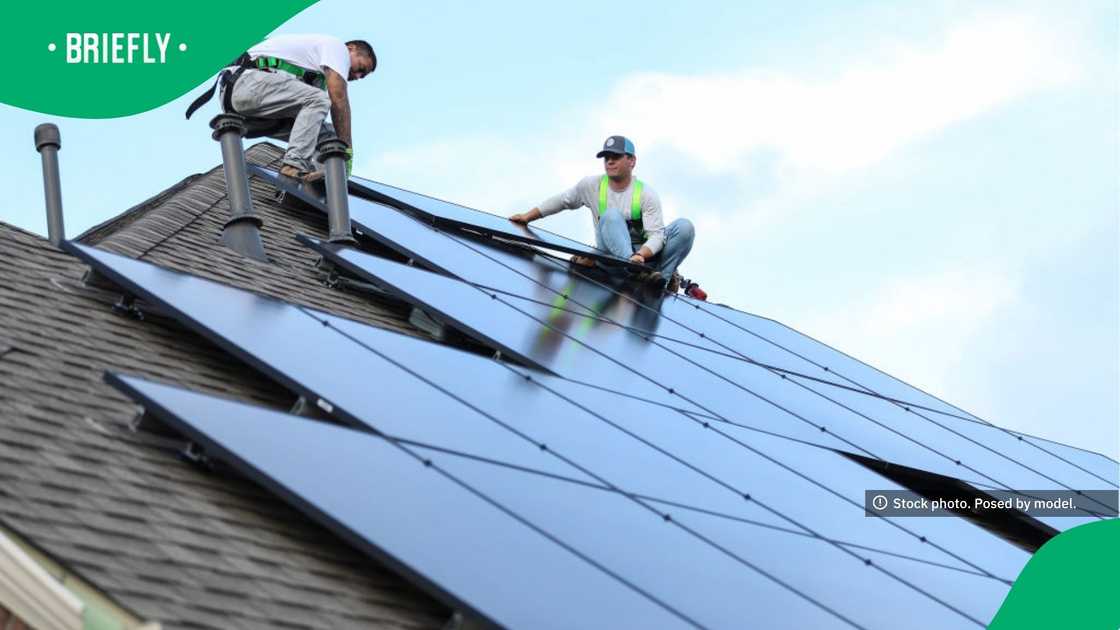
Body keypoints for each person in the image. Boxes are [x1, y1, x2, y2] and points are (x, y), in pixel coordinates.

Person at [510, 136, 695, 292]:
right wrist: (527, 216)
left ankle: (661, 280)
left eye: (616, 156)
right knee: (611, 216)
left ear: (632, 161)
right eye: (606, 157)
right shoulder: (592, 186)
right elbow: (562, 201)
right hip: (612, 260)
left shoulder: (646, 194)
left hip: (646, 261)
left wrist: (642, 255)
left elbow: (656, 235)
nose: (610, 161)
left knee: (684, 227)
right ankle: (636, 272)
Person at [186, 34, 376, 183]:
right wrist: (347, 149)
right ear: (351, 48)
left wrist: (338, 154)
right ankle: (292, 167)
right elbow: (339, 99)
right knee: (320, 101)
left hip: (252, 104)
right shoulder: (336, 47)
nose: (358, 76)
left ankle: (324, 181)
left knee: (328, 135)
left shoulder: (315, 76)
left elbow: (308, 121)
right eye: (361, 68)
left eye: (362, 76)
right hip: (245, 83)